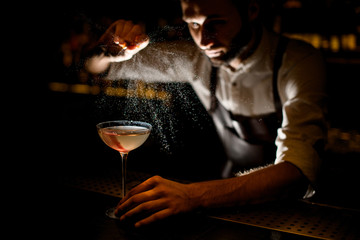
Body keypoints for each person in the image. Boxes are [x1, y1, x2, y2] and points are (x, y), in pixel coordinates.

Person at [85, 0, 327, 228]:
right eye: (194, 24)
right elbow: (101, 69)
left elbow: (297, 173)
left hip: (289, 214)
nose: (204, 40)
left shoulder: (298, 61)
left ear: (252, 10)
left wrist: (192, 195)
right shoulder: (196, 59)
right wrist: (107, 51)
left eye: (217, 23)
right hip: (223, 208)